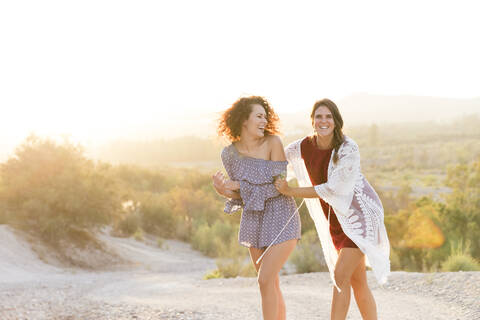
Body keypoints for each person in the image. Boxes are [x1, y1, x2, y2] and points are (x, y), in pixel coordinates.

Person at [274, 98, 390, 320]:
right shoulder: (302, 147)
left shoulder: (348, 148)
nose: (323, 121)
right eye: (319, 116)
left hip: (360, 218)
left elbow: (334, 189)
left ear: (336, 121)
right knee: (357, 282)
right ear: (312, 121)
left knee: (340, 278)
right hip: (336, 223)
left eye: (329, 117)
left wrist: (290, 191)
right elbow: (278, 162)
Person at [212, 96, 301, 320]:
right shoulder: (228, 155)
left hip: (282, 215)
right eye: (259, 116)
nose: (264, 121)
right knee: (269, 283)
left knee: (264, 279)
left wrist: (240, 185)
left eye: (265, 116)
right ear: (244, 119)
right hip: (254, 220)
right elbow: (242, 196)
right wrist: (224, 191)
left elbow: (279, 187)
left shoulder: (273, 143)